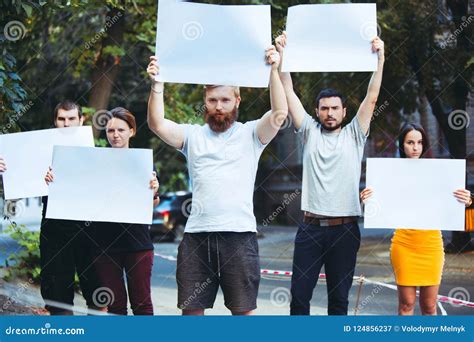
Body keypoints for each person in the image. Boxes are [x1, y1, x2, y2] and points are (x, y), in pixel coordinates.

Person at [146, 45, 288, 315]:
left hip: (240, 237)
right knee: (191, 313)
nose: (218, 107)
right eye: (212, 101)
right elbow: (157, 124)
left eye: (224, 100)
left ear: (237, 100)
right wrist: (157, 85)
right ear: (205, 101)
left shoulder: (251, 135)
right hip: (196, 238)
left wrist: (274, 70)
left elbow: (279, 115)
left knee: (243, 313)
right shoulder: (193, 136)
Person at [275, 32, 385, 315]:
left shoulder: (355, 134)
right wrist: (282, 55)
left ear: (345, 111)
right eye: (324, 108)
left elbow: (372, 98)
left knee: (339, 303)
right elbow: (288, 91)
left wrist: (380, 59)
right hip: (310, 228)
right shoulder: (309, 131)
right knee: (299, 299)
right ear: (317, 111)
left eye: (335, 108)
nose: (330, 113)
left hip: (345, 230)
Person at [46, 107, 159, 315]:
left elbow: (152, 205)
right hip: (104, 246)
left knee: (142, 304)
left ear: (132, 131)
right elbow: (75, 190)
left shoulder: (144, 162)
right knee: (115, 307)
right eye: (110, 131)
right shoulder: (93, 162)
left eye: (121, 130)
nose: (115, 135)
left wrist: (152, 191)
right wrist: (53, 178)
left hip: (137, 244)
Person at [360, 123, 472, 315]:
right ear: (402, 145)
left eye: (420, 142)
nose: (415, 147)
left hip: (431, 245)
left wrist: (469, 200)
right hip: (404, 245)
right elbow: (379, 207)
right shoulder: (389, 173)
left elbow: (453, 201)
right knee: (406, 305)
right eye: (410, 142)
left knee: (429, 306)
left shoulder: (438, 171)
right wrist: (366, 201)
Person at [40, 100, 104, 315]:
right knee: (57, 298)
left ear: (81, 120)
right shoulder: (38, 152)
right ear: (55, 122)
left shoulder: (99, 155)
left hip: (91, 230)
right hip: (55, 231)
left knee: (98, 293)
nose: (66, 124)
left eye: (71, 119)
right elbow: (20, 178)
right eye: (61, 119)